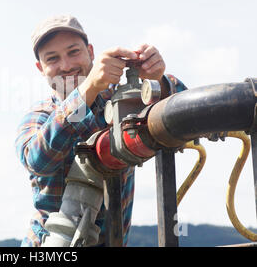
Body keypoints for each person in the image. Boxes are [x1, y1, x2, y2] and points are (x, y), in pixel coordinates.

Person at [15, 15, 187, 247]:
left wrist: (157, 81)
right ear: (40, 67)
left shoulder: (119, 99)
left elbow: (188, 111)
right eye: (52, 58)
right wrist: (88, 89)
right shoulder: (38, 117)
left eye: (73, 52)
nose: (66, 65)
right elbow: (39, 160)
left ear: (91, 52)